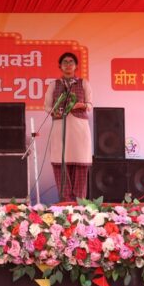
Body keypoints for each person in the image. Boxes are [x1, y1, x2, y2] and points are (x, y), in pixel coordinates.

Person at [43, 52, 93, 202]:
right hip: (60, 128)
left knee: (80, 165)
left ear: (76, 66)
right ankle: (65, 202)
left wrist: (81, 105)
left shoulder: (83, 83)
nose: (68, 65)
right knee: (61, 163)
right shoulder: (54, 85)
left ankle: (80, 203)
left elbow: (90, 104)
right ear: (60, 66)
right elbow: (47, 107)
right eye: (65, 62)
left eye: (71, 62)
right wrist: (55, 111)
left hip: (79, 129)